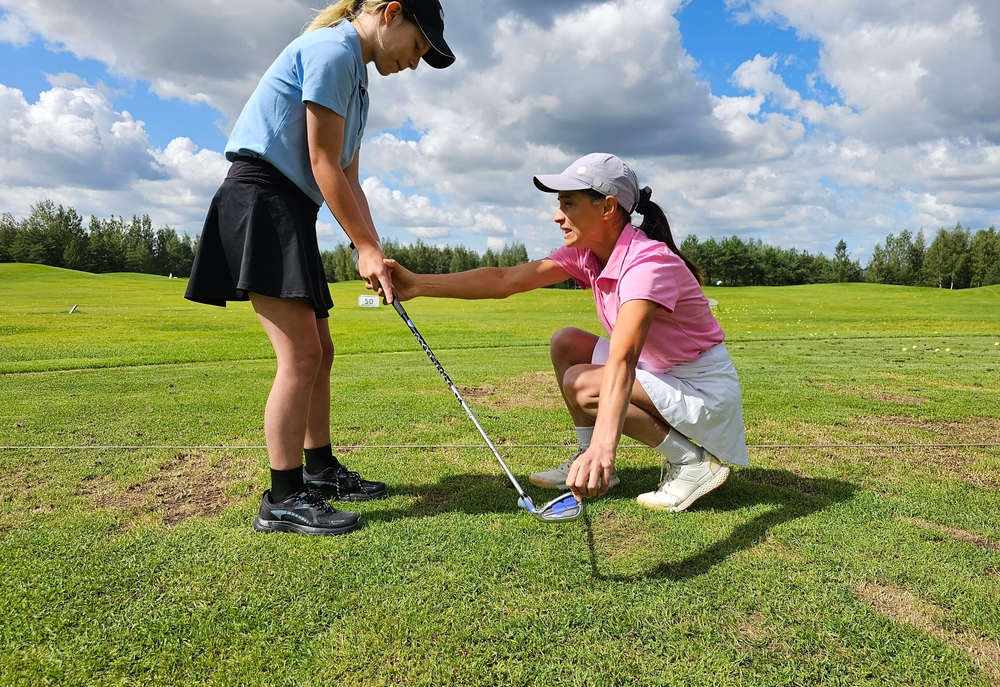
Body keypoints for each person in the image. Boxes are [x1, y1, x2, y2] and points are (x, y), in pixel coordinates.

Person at [184, 0, 455, 535]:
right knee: (301, 356)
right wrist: (362, 247)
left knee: (320, 352)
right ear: (391, 13)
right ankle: (282, 498)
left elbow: (349, 177)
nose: (415, 62)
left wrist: (372, 248)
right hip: (263, 199)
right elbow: (321, 162)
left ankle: (321, 470)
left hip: (291, 208)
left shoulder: (357, 78)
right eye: (418, 46)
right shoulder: (332, 51)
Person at [385, 154, 749, 511]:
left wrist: (605, 449)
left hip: (701, 389)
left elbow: (623, 359)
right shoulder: (587, 253)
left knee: (583, 382)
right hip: (661, 373)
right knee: (567, 342)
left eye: (568, 203)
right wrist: (418, 285)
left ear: (607, 208)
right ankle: (584, 455)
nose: (557, 216)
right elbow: (505, 279)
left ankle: (691, 462)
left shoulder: (646, 263)